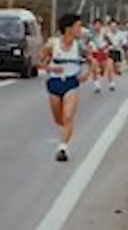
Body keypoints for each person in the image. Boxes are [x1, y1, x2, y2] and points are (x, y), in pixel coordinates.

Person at [37, 13, 91, 162]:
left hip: (71, 82)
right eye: (78, 26)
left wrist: (87, 73)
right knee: (59, 119)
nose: (81, 29)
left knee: (68, 116)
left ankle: (62, 148)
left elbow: (92, 60)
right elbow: (38, 62)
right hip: (54, 83)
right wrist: (51, 69)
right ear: (68, 28)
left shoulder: (80, 46)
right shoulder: (52, 45)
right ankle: (67, 131)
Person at [89, 18, 113, 92]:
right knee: (94, 67)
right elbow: (86, 44)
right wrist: (89, 51)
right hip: (95, 53)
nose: (97, 26)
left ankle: (111, 82)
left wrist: (105, 47)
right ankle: (97, 85)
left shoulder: (104, 34)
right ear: (93, 26)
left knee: (107, 68)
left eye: (99, 25)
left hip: (103, 53)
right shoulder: (90, 34)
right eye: (95, 25)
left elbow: (110, 42)